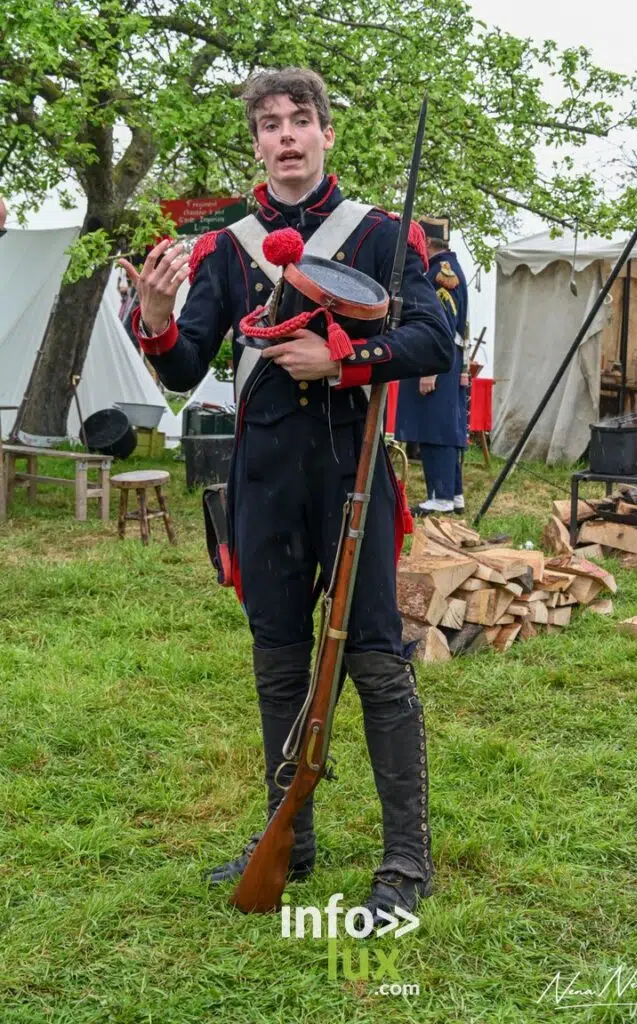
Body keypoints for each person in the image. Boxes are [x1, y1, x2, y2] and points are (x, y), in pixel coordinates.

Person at [118, 68, 452, 926]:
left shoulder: (380, 235)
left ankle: (404, 862)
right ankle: (288, 838)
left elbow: (432, 339)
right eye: (269, 125)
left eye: (299, 120)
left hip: (351, 477)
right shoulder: (226, 248)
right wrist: (154, 316)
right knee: (277, 660)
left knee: (375, 662)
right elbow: (184, 367)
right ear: (258, 144)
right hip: (263, 478)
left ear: (325, 134)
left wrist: (343, 361)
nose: (285, 136)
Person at [396, 215, 468, 513]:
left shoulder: (441, 274)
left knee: (435, 429)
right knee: (445, 427)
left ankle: (440, 497)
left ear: (426, 242)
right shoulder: (449, 268)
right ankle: (453, 493)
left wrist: (430, 370)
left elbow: (442, 326)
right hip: (447, 361)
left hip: (436, 362)